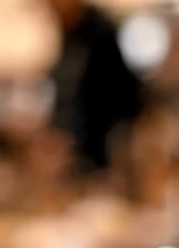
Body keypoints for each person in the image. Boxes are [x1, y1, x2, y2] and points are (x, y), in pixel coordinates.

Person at [46, 0, 144, 175]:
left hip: (98, 149)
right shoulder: (64, 33)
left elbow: (120, 97)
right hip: (70, 146)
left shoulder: (100, 34)